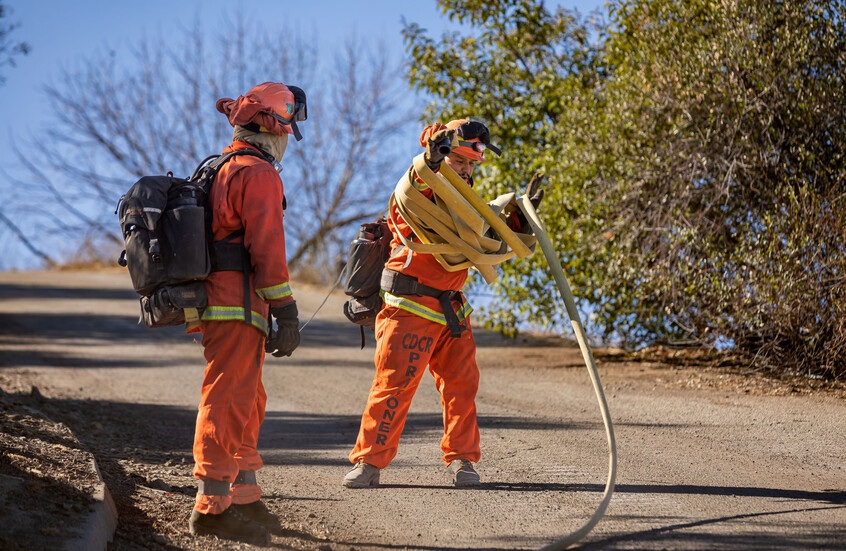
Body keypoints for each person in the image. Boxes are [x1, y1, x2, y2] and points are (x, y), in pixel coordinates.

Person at [343, 119, 544, 489]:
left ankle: (462, 460)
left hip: (451, 307)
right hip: (411, 305)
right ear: (441, 157)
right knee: (394, 385)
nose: (466, 171)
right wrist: (431, 163)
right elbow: (417, 187)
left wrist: (521, 215)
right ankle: (368, 463)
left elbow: (485, 237)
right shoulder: (420, 189)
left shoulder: (466, 202)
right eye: (459, 162)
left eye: (470, 164)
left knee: (462, 384)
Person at [187, 82, 306, 545]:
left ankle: (245, 496)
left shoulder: (225, 167)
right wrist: (288, 310)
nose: (288, 139)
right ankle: (211, 505)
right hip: (235, 302)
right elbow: (267, 249)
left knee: (248, 398)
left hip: (230, 303)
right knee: (228, 396)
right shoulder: (258, 173)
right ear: (274, 126)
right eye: (289, 127)